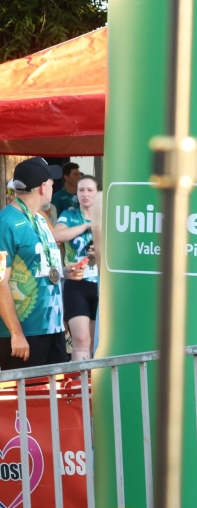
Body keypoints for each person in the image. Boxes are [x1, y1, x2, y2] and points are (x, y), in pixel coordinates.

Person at [0, 157, 67, 369]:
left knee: (57, 390)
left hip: (53, 328)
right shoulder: (6, 223)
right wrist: (16, 334)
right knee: (28, 391)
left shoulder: (40, 218)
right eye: (52, 182)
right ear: (42, 187)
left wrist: (66, 271)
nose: (54, 187)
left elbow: (39, 267)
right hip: (25, 336)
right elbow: (0, 282)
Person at [53, 175, 100, 361]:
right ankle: (80, 380)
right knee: (81, 340)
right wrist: (86, 226)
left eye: (90, 190)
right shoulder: (70, 215)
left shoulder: (108, 216)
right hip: (77, 283)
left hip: (101, 283)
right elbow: (57, 235)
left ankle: (94, 378)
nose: (85, 194)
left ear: (98, 193)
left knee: (95, 341)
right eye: (81, 190)